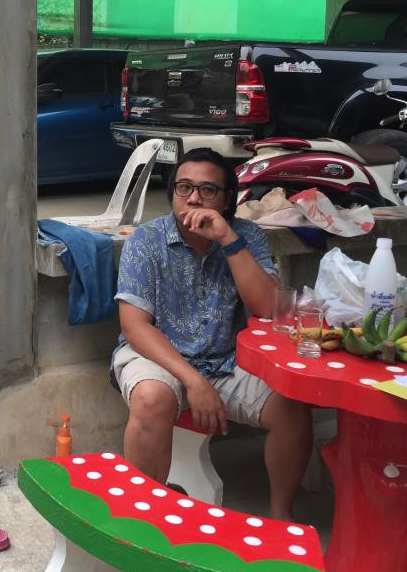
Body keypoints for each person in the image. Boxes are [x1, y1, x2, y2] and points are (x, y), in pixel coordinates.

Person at [112, 148, 311, 521]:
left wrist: (228, 240)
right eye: (184, 187)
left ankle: (281, 520)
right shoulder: (146, 240)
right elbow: (134, 326)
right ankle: (141, 523)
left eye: (207, 190)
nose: (193, 199)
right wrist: (194, 381)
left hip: (226, 359)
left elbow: (267, 308)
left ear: (227, 199)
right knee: (152, 398)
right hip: (156, 356)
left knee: (291, 407)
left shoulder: (246, 236)